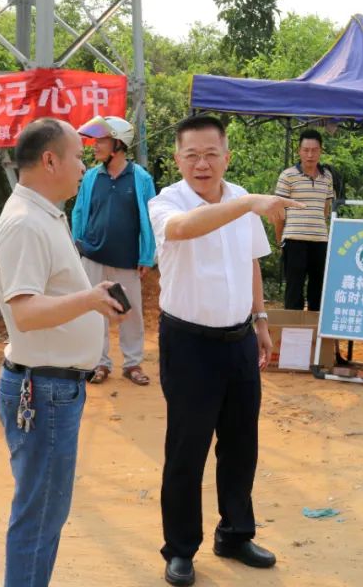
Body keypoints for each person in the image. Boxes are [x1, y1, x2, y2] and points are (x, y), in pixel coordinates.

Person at [148, 115, 302, 587]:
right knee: (187, 450)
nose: (202, 163)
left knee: (240, 446)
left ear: (226, 156)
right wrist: (249, 204)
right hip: (189, 342)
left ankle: (235, 533)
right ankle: (180, 549)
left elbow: (251, 263)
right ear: (177, 159)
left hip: (238, 340)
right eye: (191, 154)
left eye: (211, 153)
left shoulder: (240, 199)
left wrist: (260, 321)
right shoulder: (165, 202)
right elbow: (184, 230)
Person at [0, 118, 127, 587]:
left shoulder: (44, 213)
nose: (84, 166)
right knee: (40, 514)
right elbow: (25, 311)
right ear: (50, 160)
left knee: (45, 511)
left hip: (52, 387)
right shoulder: (26, 224)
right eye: (78, 156)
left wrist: (93, 300)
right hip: (43, 389)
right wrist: (88, 300)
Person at [71, 115, 157, 386]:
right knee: (95, 312)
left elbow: (152, 218)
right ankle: (100, 363)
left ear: (118, 144)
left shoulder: (140, 178)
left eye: (101, 141)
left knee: (130, 313)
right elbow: (80, 211)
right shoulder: (91, 177)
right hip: (93, 256)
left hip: (127, 259)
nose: (94, 146)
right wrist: (79, 245)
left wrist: (147, 256)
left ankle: (132, 363)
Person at [273, 129, 335, 312]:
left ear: (320, 151)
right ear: (299, 151)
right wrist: (280, 240)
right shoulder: (287, 176)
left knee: (318, 288)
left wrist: (317, 228)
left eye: (314, 150)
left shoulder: (327, 177)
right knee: (294, 289)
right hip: (294, 240)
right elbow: (278, 212)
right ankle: (293, 336)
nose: (310, 154)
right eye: (306, 150)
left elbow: (325, 208)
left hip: (320, 241)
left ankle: (315, 336)